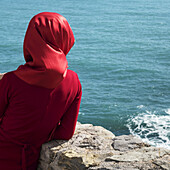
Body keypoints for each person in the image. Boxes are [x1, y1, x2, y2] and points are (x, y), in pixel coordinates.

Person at [0, 12, 82, 170]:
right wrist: (39, 134)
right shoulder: (74, 82)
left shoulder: (12, 81)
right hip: (31, 160)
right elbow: (65, 132)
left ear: (32, 40)